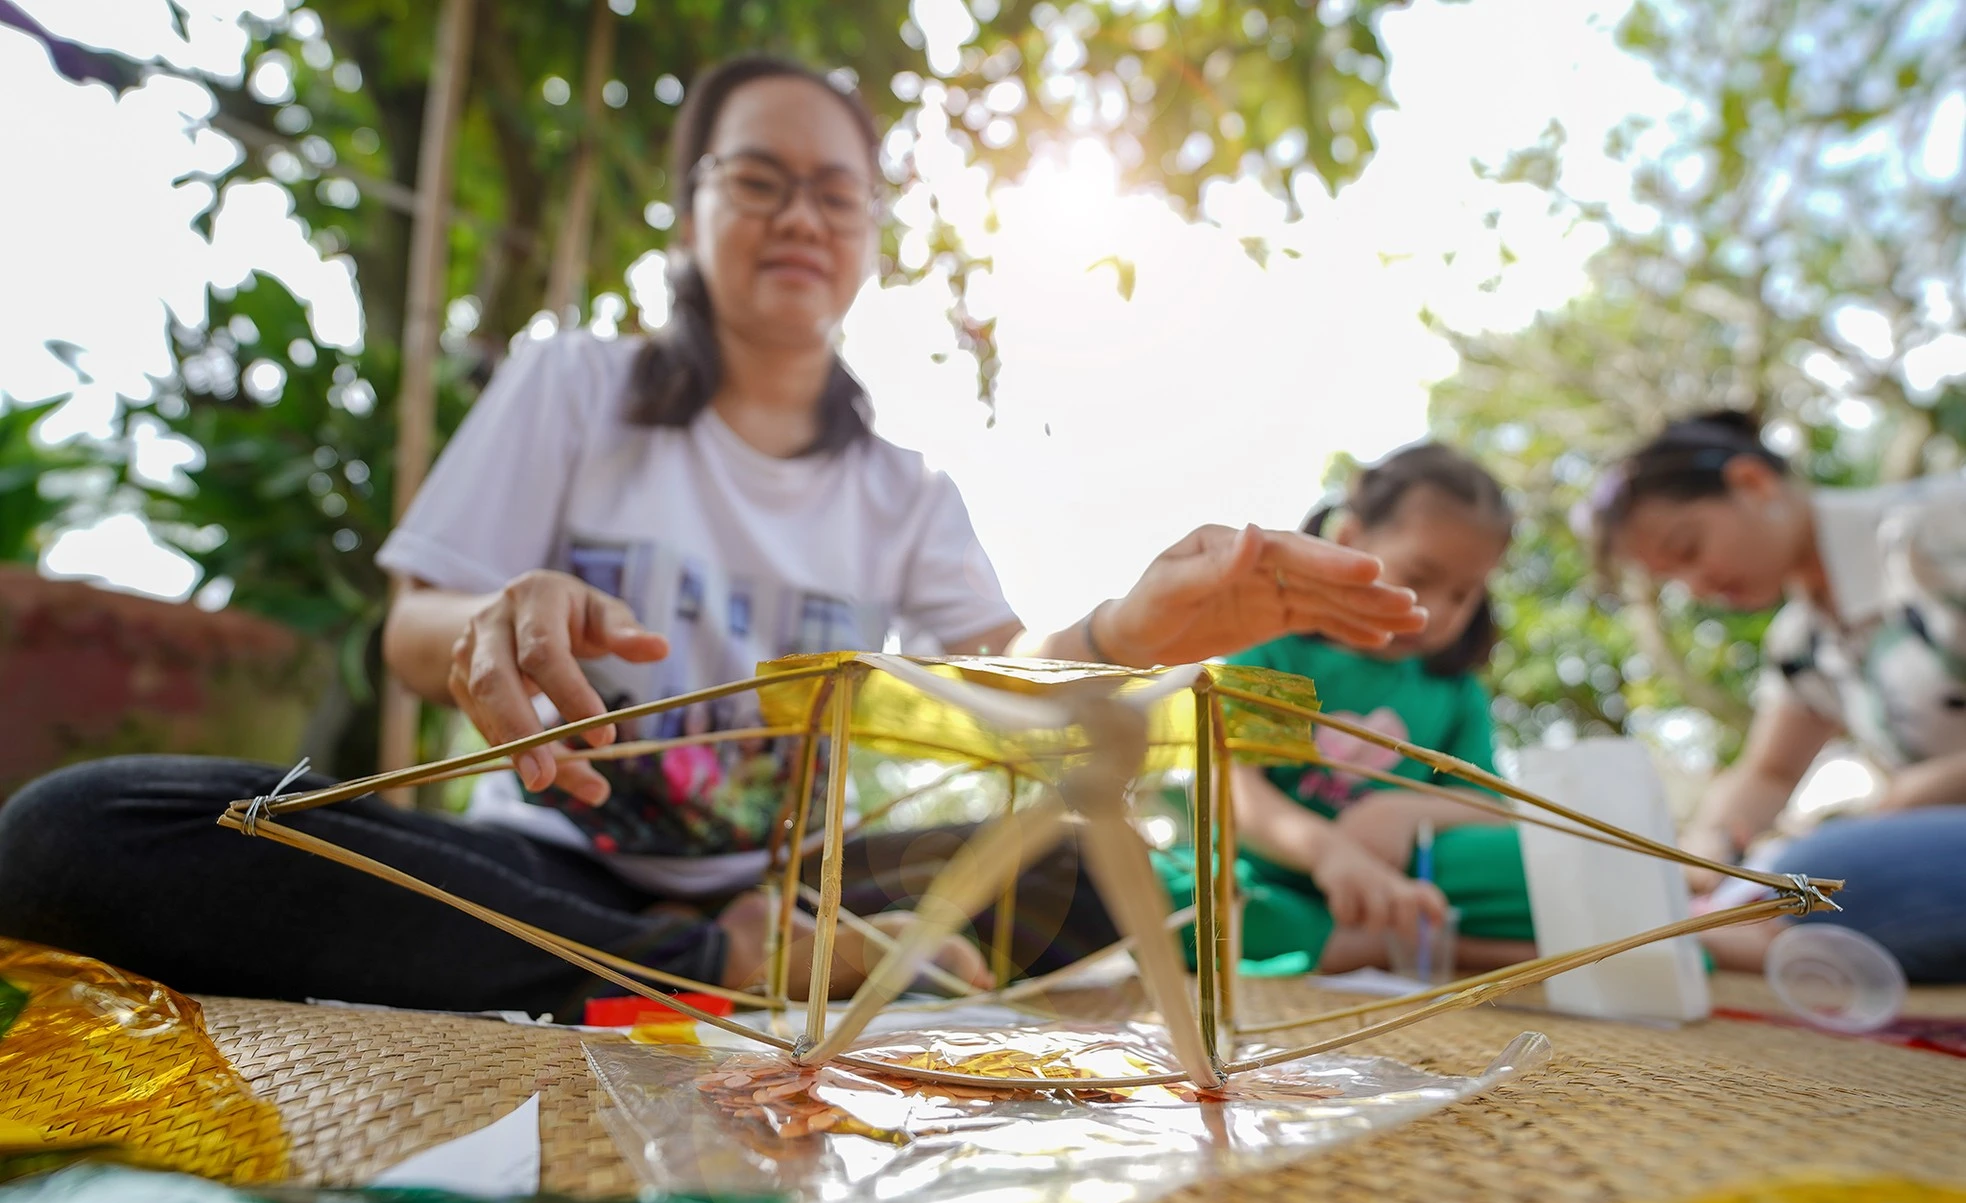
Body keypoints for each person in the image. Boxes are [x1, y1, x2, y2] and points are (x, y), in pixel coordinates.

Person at [0, 54, 1425, 1019]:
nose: (800, 216)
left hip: (807, 886)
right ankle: (696, 964)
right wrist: (491, 621)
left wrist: (1125, 634)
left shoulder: (905, 490)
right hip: (542, 873)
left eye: (836, 193)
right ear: (688, 217)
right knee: (79, 833)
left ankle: (724, 956)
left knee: (1096, 858)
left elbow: (1000, 700)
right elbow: (412, 627)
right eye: (758, 180)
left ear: (869, 237)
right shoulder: (574, 385)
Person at [1587, 409, 1966, 982]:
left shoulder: (1938, 527)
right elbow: (1769, 772)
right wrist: (1708, 850)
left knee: (1821, 869)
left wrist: (1921, 792)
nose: (1697, 587)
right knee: (1806, 877)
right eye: (1673, 580)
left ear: (1753, 482)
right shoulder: (1801, 640)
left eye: (1689, 549)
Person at [1155, 443, 1537, 976]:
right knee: (1150, 889)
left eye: (1462, 594)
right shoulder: (1276, 652)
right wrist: (1329, 853)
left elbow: (1488, 804)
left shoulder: (1453, 690)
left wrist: (1401, 813)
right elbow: (1235, 791)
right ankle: (1389, 946)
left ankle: (1369, 939)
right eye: (1418, 577)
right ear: (1349, 541)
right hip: (1264, 877)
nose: (1436, 612)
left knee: (1547, 866)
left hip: (1402, 881)